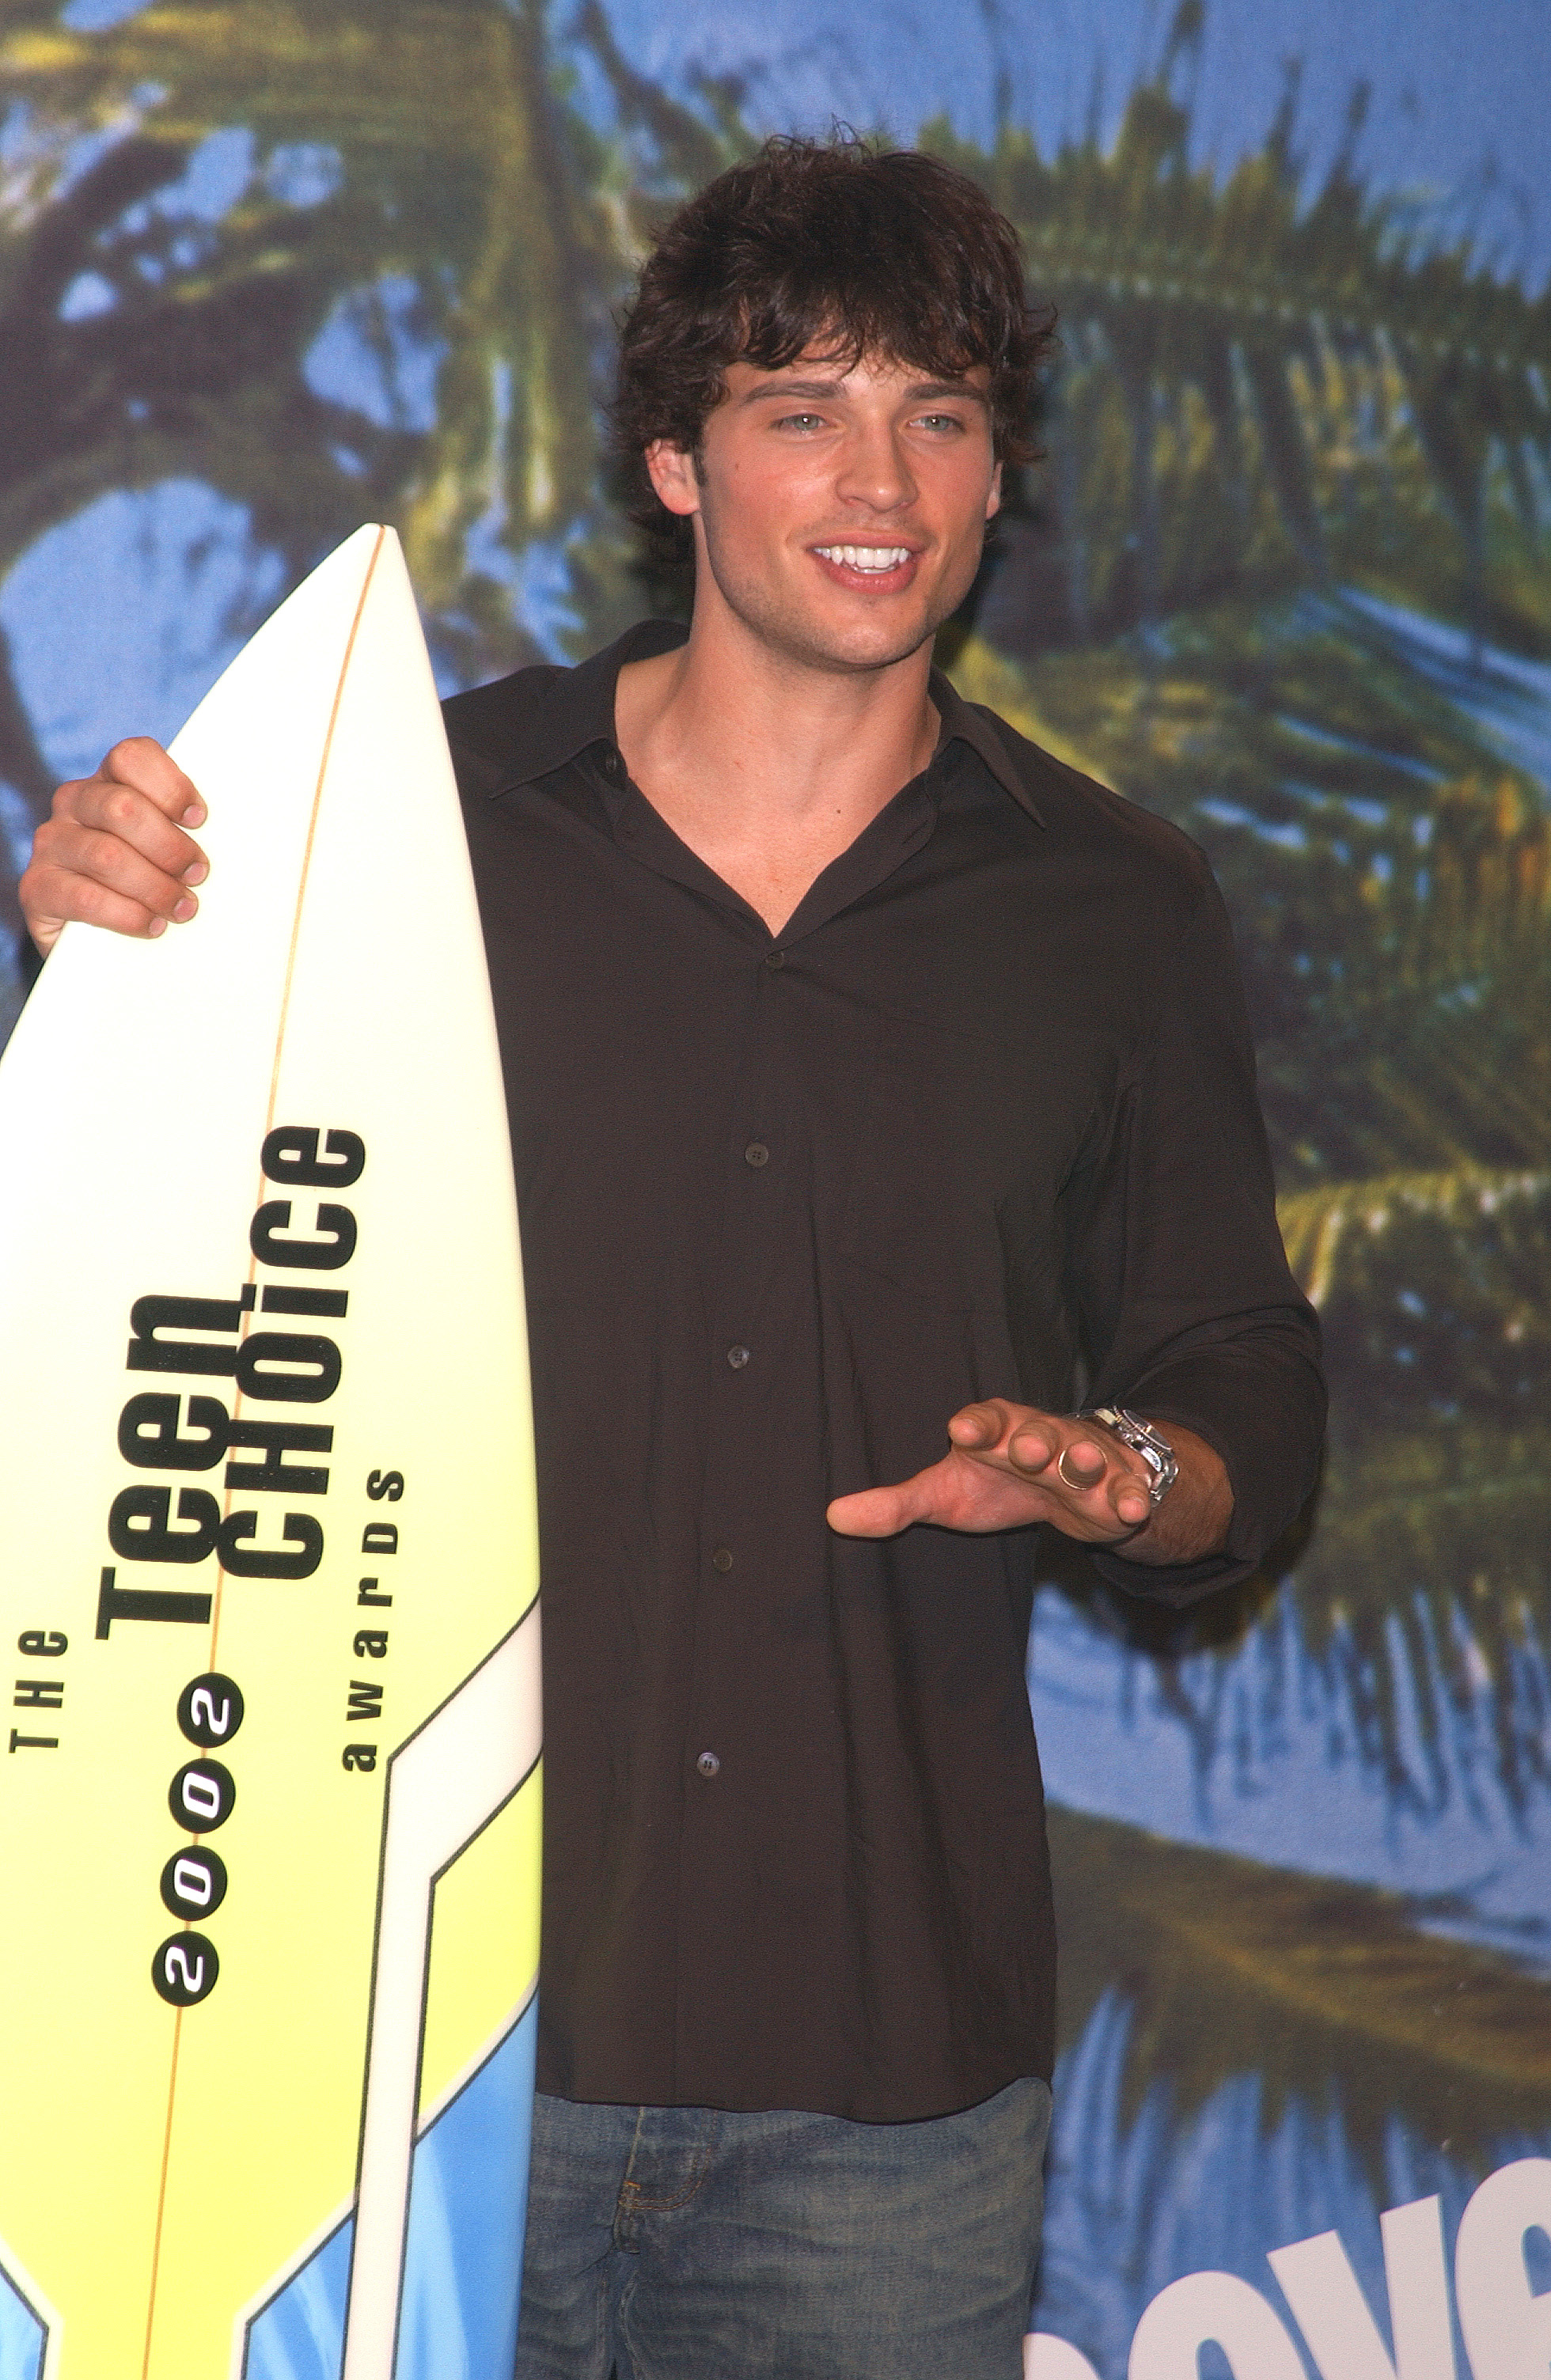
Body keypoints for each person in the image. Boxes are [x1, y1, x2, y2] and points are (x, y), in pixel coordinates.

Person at [19, 136, 1323, 2380]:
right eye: (802, 408)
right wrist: (97, 956)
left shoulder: (1116, 914)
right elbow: (128, 1291)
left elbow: (1241, 1399)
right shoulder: (399, 845)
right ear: (673, 466)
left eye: (940, 411)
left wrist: (1121, 1465)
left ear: (1002, 473)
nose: (881, 474)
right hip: (402, 2080)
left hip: (884, 2105)